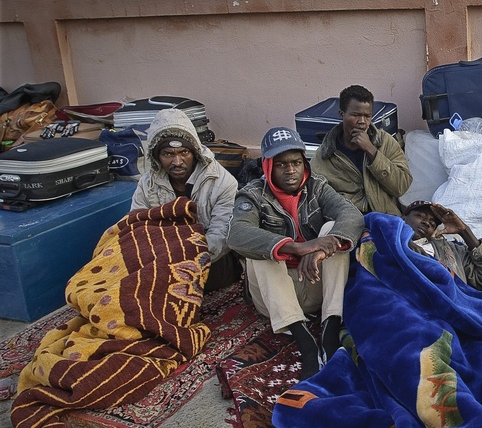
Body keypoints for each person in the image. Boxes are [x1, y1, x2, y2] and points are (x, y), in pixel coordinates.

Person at [227, 127, 364, 380]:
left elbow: (351, 215)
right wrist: (296, 247)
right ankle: (305, 341)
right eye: (281, 164)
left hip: (314, 283)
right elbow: (236, 234)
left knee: (333, 230)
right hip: (274, 297)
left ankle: (330, 326)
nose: (290, 170)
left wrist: (322, 248)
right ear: (268, 166)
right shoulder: (252, 194)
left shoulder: (318, 187)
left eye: (296, 163)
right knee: (260, 249)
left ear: (304, 164)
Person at [131, 108, 241, 292]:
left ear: (194, 153)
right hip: (161, 255)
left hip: (208, 257)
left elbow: (221, 234)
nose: (177, 161)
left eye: (184, 152)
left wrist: (183, 259)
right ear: (157, 156)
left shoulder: (223, 182)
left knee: (178, 282)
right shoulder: (146, 184)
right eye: (168, 154)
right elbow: (137, 226)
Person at [311, 85, 412, 216]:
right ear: (342, 114)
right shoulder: (325, 154)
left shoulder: (385, 142)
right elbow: (316, 196)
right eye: (356, 115)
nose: (362, 122)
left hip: (386, 218)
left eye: (367, 116)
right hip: (347, 219)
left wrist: (371, 150)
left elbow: (401, 187)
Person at [402, 200, 482, 291]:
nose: (427, 223)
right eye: (420, 216)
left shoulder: (452, 250)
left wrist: (464, 231)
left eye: (432, 223)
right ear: (403, 217)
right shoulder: (393, 241)